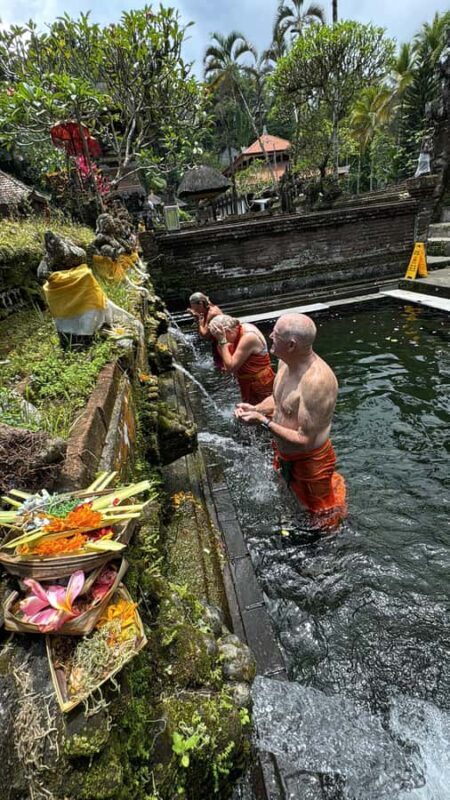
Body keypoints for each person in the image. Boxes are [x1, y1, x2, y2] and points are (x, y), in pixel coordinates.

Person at [234, 313, 346, 530]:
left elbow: (305, 439)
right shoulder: (285, 362)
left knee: (322, 514)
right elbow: (279, 400)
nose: (270, 336)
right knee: (290, 494)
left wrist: (263, 422)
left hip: (310, 461)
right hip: (284, 452)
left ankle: (332, 542)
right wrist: (256, 409)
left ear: (292, 345)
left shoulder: (317, 382)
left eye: (276, 334)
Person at [209, 314, 275, 404]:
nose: (224, 341)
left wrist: (222, 341)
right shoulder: (237, 330)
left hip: (260, 382)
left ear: (227, 331)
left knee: (265, 409)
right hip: (246, 381)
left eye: (220, 337)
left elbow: (231, 367)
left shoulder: (248, 337)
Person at [187, 292, 224, 368]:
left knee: (222, 366)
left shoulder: (212, 313)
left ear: (201, 304)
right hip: (218, 341)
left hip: (223, 342)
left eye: (196, 309)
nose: (196, 311)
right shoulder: (207, 308)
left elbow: (204, 335)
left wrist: (198, 319)